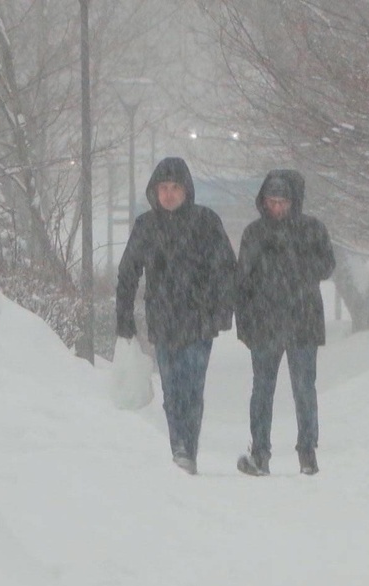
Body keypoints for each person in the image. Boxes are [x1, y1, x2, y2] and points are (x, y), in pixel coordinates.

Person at [116, 157, 236, 475]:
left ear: (187, 191)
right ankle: (178, 448)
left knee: (192, 387)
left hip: (199, 319)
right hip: (163, 318)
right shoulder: (146, 227)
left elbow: (226, 269)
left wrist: (222, 310)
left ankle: (187, 450)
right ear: (154, 192)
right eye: (163, 188)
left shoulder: (206, 222)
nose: (168, 195)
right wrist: (123, 317)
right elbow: (128, 272)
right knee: (172, 389)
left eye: (175, 188)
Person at [234, 170, 335, 476]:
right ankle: (260, 452)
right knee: (263, 389)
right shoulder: (254, 234)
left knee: (303, 388)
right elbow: (243, 281)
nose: (277, 208)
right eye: (272, 201)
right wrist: (245, 323)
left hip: (302, 321)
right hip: (266, 323)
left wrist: (297, 265)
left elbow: (327, 265)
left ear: (294, 202)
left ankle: (307, 451)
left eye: (282, 202)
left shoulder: (312, 229)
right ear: (263, 202)